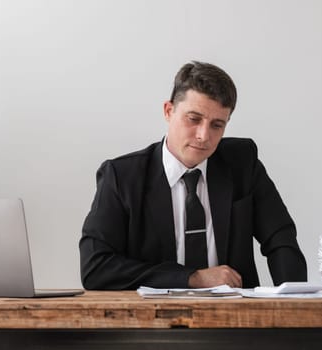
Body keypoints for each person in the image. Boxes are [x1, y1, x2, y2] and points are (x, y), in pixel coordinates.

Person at [79, 61, 307, 290]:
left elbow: (281, 240)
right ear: (169, 111)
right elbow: (96, 267)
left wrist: (294, 304)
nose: (203, 136)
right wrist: (192, 278)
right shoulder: (121, 177)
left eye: (217, 125)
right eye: (194, 119)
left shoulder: (242, 164)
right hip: (151, 320)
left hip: (236, 318)